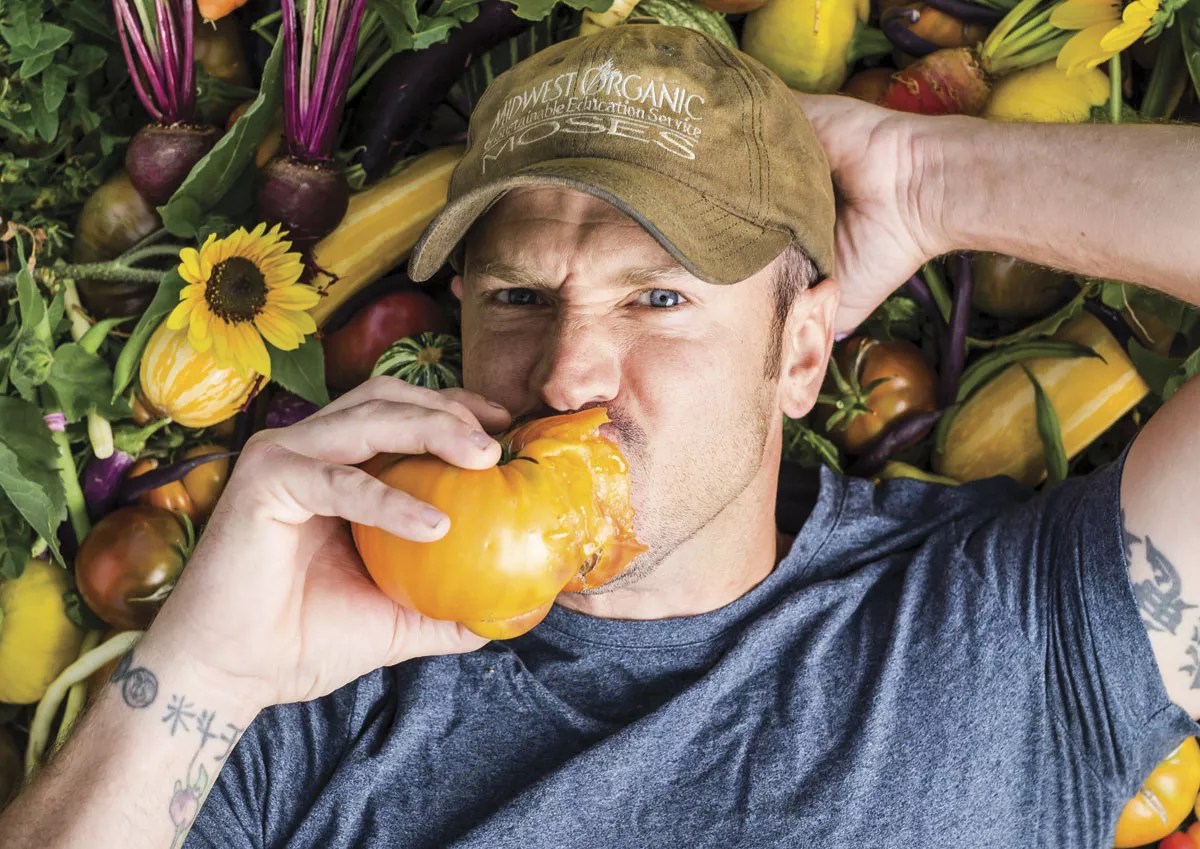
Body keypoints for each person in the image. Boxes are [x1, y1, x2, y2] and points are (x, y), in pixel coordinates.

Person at [3, 22, 1200, 849]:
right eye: (520, 297)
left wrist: (929, 179)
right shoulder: (312, 684)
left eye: (659, 298)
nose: (568, 372)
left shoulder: (1018, 623)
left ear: (800, 354)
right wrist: (205, 672)